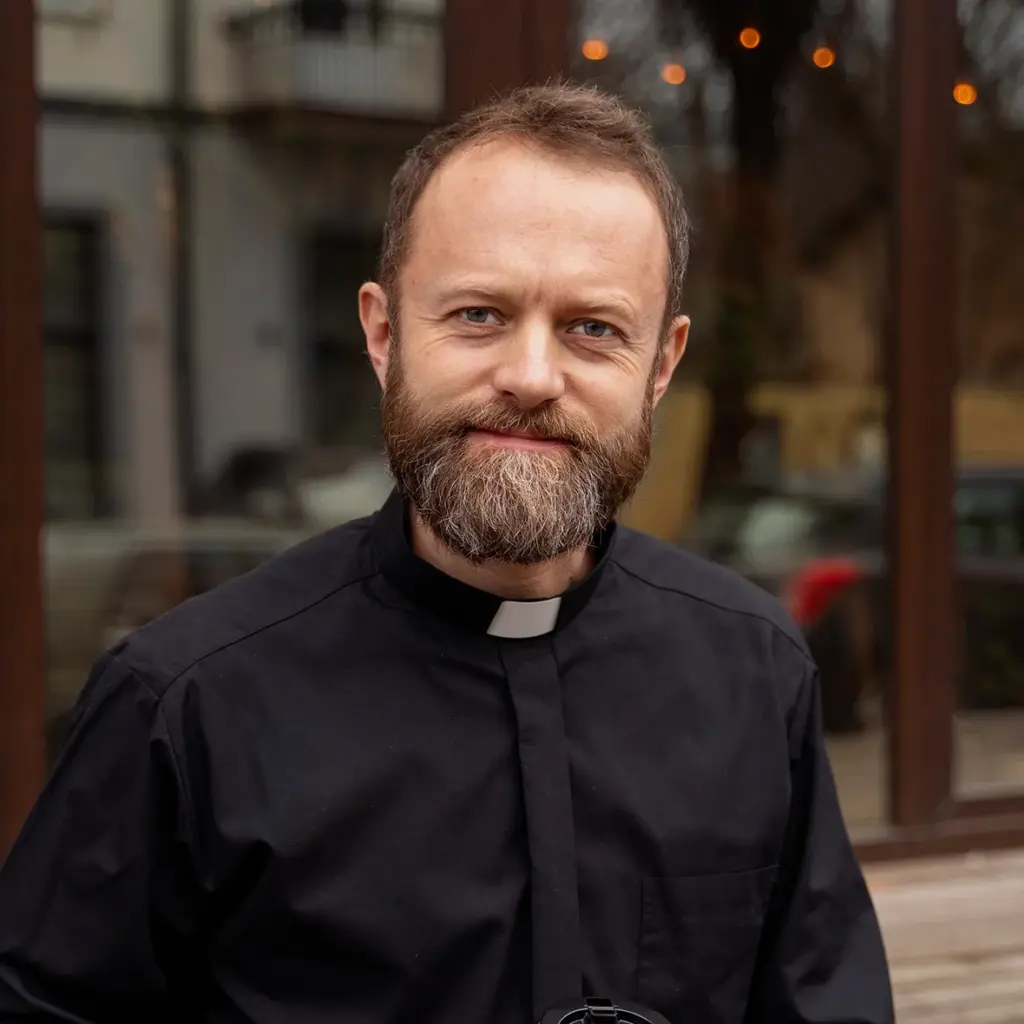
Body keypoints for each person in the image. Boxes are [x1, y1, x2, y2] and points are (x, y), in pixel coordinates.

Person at [0, 84, 893, 1024]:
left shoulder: (754, 668)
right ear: (383, 334)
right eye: (478, 315)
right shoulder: (183, 704)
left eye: (593, 329)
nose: (532, 377)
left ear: (661, 366)